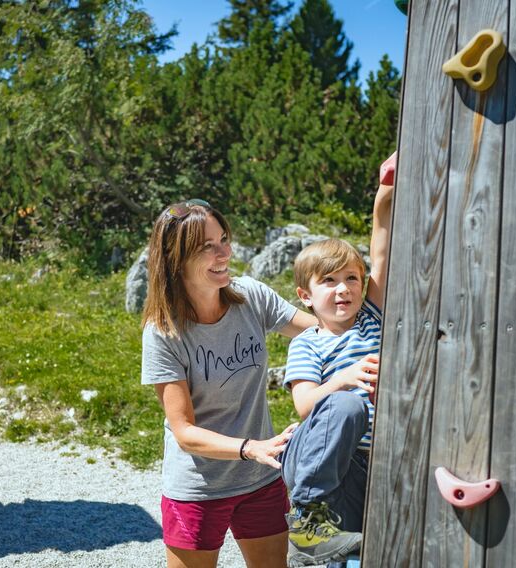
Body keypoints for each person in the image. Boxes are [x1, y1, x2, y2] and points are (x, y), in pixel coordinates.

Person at [140, 199, 316, 568]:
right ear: (176, 259)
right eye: (209, 247)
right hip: (198, 489)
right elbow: (185, 432)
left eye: (224, 239)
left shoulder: (250, 297)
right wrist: (251, 447)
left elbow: (320, 331)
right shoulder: (164, 332)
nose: (225, 252)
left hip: (260, 478)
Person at [280, 178, 394, 568]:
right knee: (346, 405)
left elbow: (381, 250)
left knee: (350, 552)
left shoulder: (371, 318)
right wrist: (343, 378)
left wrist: (383, 198)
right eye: (328, 281)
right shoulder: (308, 343)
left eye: (351, 279)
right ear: (306, 296)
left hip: (369, 463)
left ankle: (317, 540)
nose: (342, 289)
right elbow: (304, 404)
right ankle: (307, 520)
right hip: (319, 464)